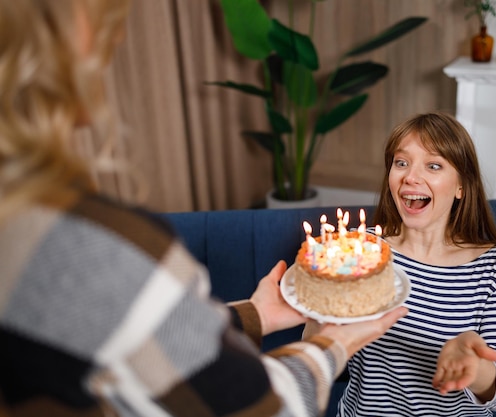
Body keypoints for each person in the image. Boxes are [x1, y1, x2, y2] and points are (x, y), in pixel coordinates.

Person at [0, 1, 406, 416]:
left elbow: (136, 347)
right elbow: (263, 408)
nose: (116, 38)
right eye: (99, 25)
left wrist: (254, 315)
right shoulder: (91, 247)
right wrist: (334, 344)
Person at [335, 112, 496, 416]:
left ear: (461, 186)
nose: (410, 177)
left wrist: (472, 366)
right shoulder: (359, 249)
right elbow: (320, 352)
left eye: (434, 165)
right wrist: (319, 298)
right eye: (401, 163)